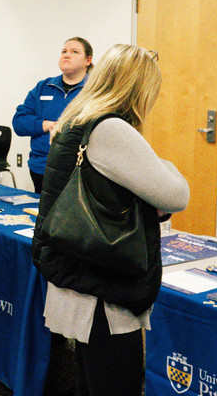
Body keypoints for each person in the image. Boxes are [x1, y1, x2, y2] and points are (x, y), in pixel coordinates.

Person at [32, 44, 189, 396]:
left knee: (90, 383)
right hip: (103, 288)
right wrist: (162, 170)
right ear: (139, 88)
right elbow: (176, 195)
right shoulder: (111, 129)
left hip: (80, 273)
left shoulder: (77, 118)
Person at [13, 37, 93, 193]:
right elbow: (19, 122)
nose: (66, 55)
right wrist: (47, 125)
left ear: (87, 60)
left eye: (74, 52)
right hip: (40, 169)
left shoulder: (93, 91)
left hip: (76, 173)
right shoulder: (44, 87)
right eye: (64, 51)